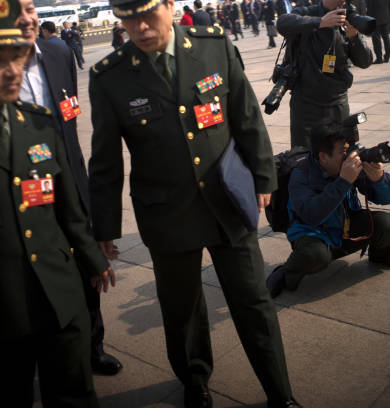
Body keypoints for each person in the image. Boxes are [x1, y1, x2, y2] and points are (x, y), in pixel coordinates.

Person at [88, 0, 302, 406]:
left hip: (226, 201)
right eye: (127, 18)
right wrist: (104, 229)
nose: (139, 26)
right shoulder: (110, 77)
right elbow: (104, 163)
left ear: (170, 6)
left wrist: (263, 176)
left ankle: (280, 392)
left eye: (147, 13)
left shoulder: (213, 45)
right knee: (182, 309)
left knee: (253, 302)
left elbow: (246, 116)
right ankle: (195, 383)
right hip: (166, 213)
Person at [0, 0, 116, 405]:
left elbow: (67, 207)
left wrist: (92, 258)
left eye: (17, 55)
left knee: (75, 394)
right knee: (10, 395)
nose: (14, 69)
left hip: (61, 296)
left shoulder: (37, 123)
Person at [15, 0, 124, 376]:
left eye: (29, 6)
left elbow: (70, 124)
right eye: (13, 9)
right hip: (21, 196)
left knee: (88, 268)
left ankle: (93, 347)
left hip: (71, 185)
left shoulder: (59, 52)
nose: (27, 17)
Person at [266, 121, 390, 298]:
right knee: (313, 255)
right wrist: (343, 182)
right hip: (315, 235)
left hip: (347, 227)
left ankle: (384, 256)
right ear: (323, 157)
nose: (350, 155)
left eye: (349, 148)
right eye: (343, 152)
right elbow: (312, 216)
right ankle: (287, 272)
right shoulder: (301, 175)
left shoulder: (350, 166)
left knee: (388, 224)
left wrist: (379, 179)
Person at [276, 0, 373, 149]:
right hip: (306, 104)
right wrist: (320, 22)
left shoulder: (347, 19)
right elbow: (282, 23)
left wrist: (354, 37)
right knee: (303, 156)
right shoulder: (308, 12)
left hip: (337, 104)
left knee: (340, 153)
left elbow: (365, 62)